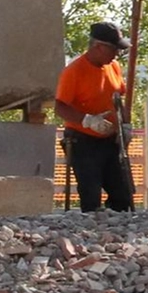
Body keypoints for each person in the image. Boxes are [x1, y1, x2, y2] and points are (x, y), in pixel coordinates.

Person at [54, 21, 133, 213]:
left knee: (122, 193)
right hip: (83, 141)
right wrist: (88, 120)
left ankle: (118, 231)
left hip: (111, 140)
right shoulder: (73, 71)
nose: (116, 54)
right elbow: (60, 107)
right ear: (98, 46)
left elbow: (119, 99)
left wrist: (126, 126)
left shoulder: (113, 67)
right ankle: (91, 233)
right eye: (113, 49)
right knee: (91, 194)